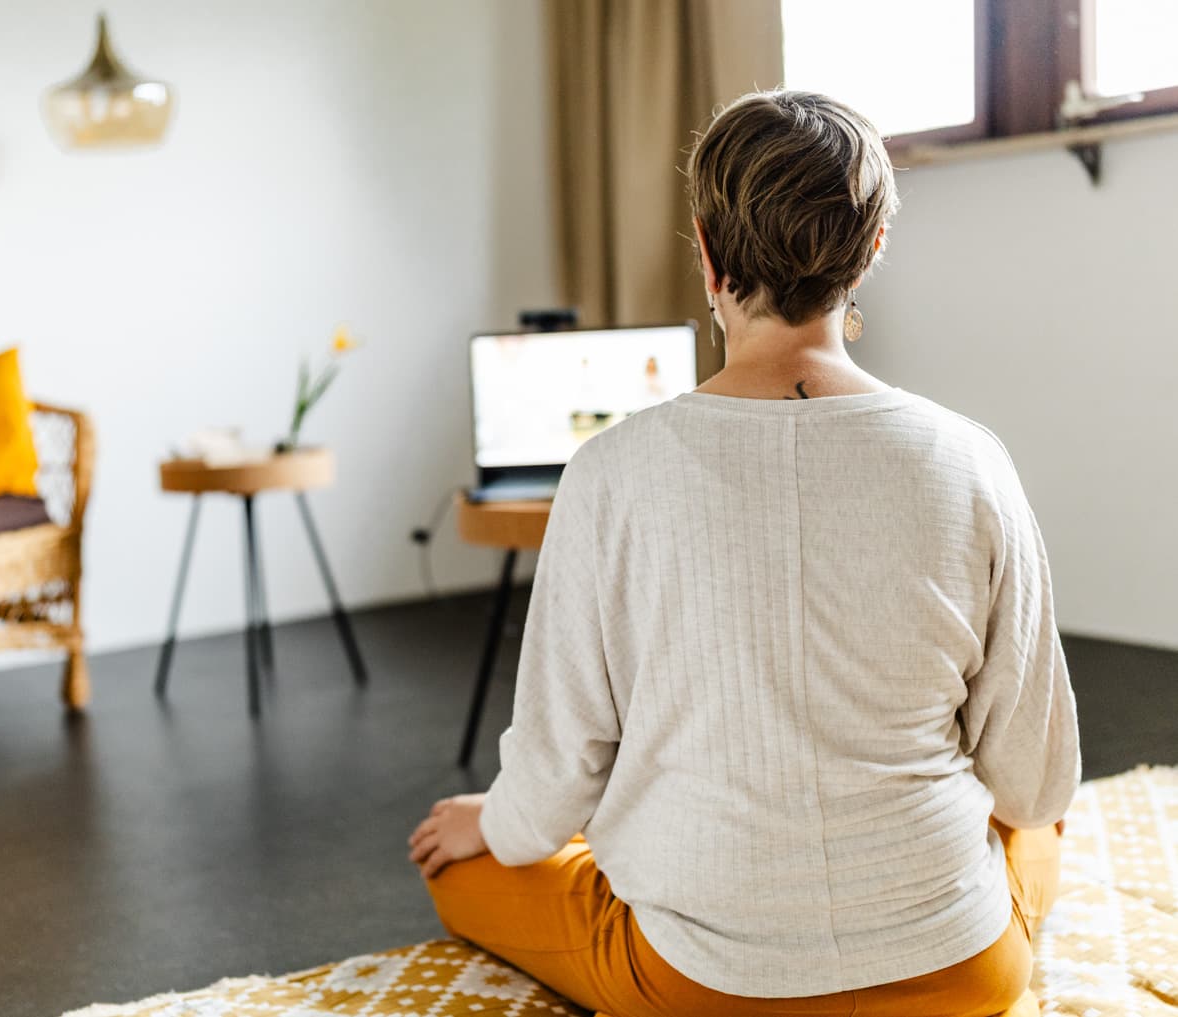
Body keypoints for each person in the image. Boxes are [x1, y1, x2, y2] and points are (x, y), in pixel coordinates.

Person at [407, 90, 1079, 1017]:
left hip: (703, 984)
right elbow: (1037, 778)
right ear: (871, 246)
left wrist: (490, 818)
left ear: (708, 249)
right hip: (958, 974)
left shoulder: (609, 471)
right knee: (1034, 828)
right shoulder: (969, 459)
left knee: (460, 867)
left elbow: (559, 775)